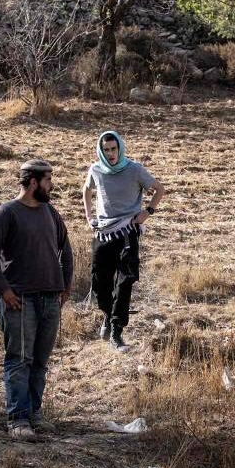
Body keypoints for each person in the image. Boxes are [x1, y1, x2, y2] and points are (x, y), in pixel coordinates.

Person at [0, 161, 73, 439]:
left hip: (50, 300)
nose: (51, 185)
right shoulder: (8, 213)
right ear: (33, 182)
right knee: (19, 360)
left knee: (40, 362)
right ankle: (18, 420)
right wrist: (3, 290)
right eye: (48, 180)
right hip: (19, 301)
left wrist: (65, 287)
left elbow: (66, 250)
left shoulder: (50, 213)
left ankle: (34, 416)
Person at [80, 130, 161, 350]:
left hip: (127, 233)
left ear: (120, 148)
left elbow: (159, 189)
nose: (110, 154)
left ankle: (117, 332)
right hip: (103, 233)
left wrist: (148, 212)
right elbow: (86, 191)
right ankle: (108, 314)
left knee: (125, 282)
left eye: (114, 149)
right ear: (101, 150)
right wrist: (89, 217)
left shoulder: (134, 170)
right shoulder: (96, 169)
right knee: (100, 284)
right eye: (106, 150)